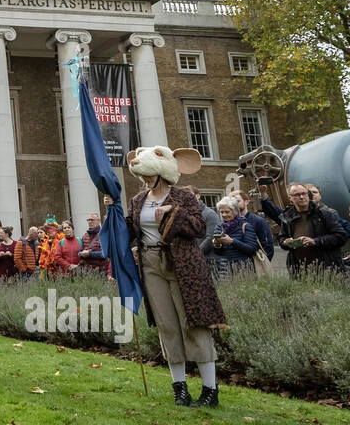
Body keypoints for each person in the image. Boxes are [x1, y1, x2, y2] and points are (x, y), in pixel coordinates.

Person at [115, 145, 227, 408]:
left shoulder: (183, 197)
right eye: (142, 177)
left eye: (149, 176)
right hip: (150, 263)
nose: (144, 181)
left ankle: (210, 389)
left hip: (183, 264)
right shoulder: (137, 201)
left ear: (162, 172)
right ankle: (180, 387)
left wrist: (172, 213)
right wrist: (113, 212)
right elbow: (130, 229)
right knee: (167, 324)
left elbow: (198, 228)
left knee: (193, 322)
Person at [277, 182, 347, 276]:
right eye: (297, 195)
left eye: (304, 194)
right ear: (290, 198)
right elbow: (282, 238)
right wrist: (286, 242)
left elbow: (340, 237)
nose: (302, 197)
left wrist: (315, 241)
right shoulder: (287, 217)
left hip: (327, 268)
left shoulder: (324, 213)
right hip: (299, 270)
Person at [205, 197, 258, 279]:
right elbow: (219, 253)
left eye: (227, 212)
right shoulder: (219, 227)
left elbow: (252, 250)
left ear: (235, 211)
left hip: (244, 269)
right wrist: (217, 244)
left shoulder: (245, 226)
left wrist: (232, 241)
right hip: (225, 270)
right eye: (221, 212)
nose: (224, 215)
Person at [232, 190, 275, 264]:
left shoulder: (258, 221)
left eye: (238, 201)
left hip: (255, 263)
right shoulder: (230, 222)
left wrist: (263, 264)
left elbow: (268, 247)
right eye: (232, 202)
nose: (235, 204)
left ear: (246, 202)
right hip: (236, 265)